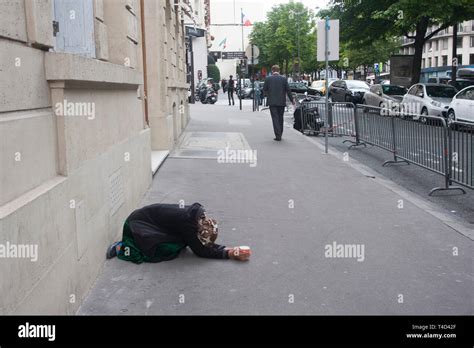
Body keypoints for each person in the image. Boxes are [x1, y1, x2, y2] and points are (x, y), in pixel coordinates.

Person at [106, 202, 251, 263]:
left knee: (180, 243)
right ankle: (122, 247)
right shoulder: (187, 224)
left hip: (150, 219)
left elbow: (202, 244)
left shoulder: (199, 217)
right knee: (163, 251)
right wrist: (229, 253)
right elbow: (200, 250)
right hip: (138, 224)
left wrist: (228, 249)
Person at [263, 65, 295, 141]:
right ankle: (280, 133)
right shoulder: (283, 79)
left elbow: (264, 90)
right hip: (281, 102)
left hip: (272, 102)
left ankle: (278, 135)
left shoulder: (268, 79)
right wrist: (292, 100)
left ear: (272, 71)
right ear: (279, 70)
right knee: (280, 118)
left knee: (275, 119)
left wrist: (269, 95)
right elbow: (288, 90)